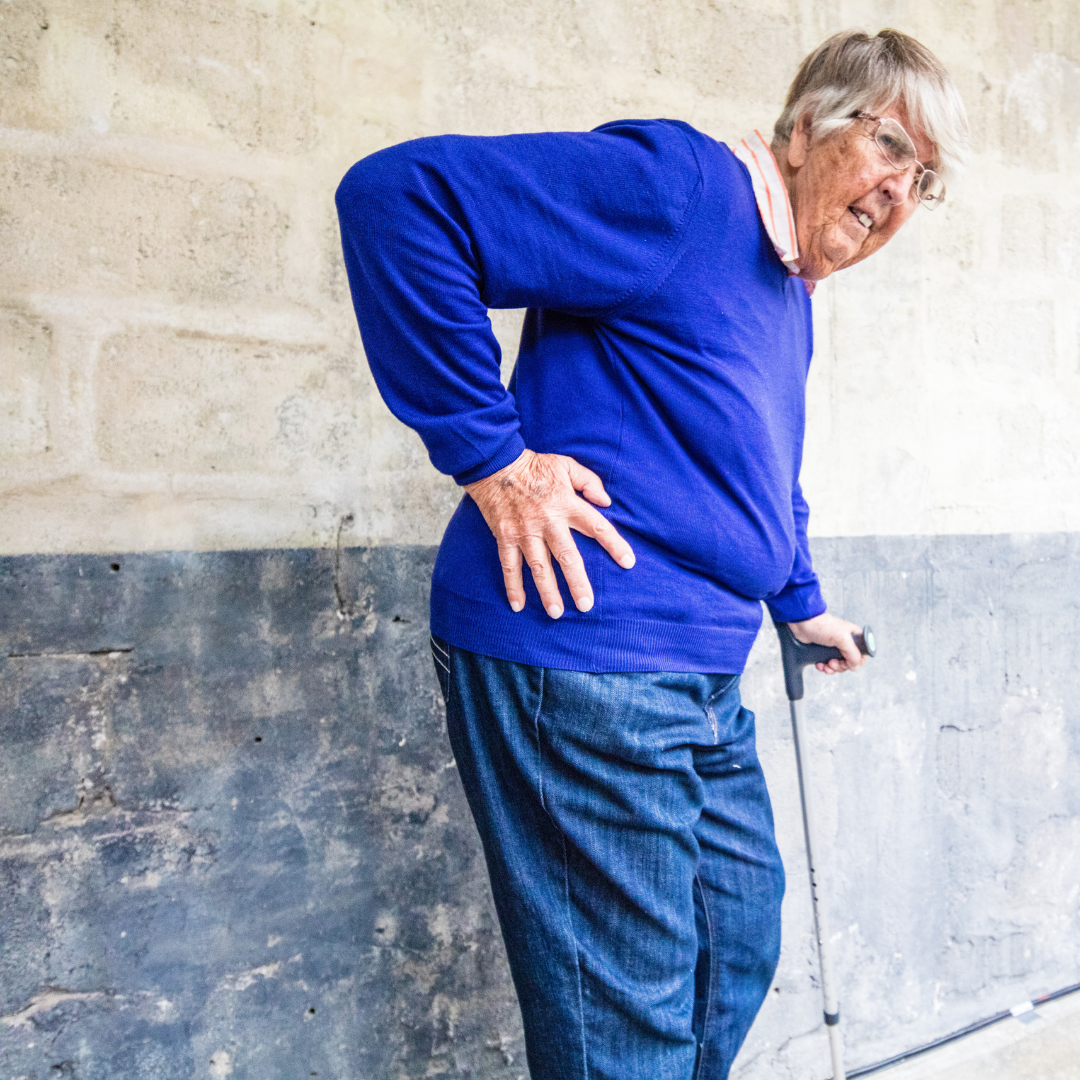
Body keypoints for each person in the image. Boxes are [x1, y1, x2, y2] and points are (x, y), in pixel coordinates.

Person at [336, 27, 968, 1080]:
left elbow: (758, 465)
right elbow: (399, 199)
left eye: (927, 181)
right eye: (892, 147)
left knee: (732, 943)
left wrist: (800, 600)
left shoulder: (789, 287)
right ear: (808, 127)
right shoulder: (686, 190)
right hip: (589, 660)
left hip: (700, 673)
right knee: (623, 1025)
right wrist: (494, 459)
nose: (900, 193)